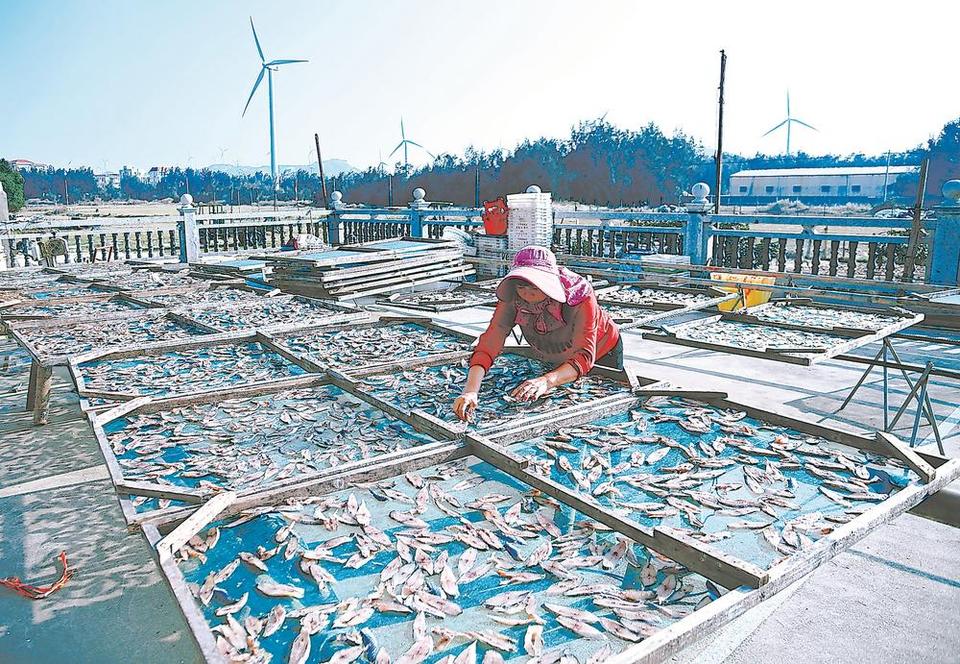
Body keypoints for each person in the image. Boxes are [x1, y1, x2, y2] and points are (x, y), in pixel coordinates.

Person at [453, 245, 622, 421]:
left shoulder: (580, 296)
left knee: (599, 414)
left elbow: (584, 356)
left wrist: (546, 381)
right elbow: (490, 342)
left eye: (535, 287)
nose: (527, 294)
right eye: (522, 286)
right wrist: (471, 390)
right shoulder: (513, 295)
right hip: (553, 353)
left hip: (601, 351)